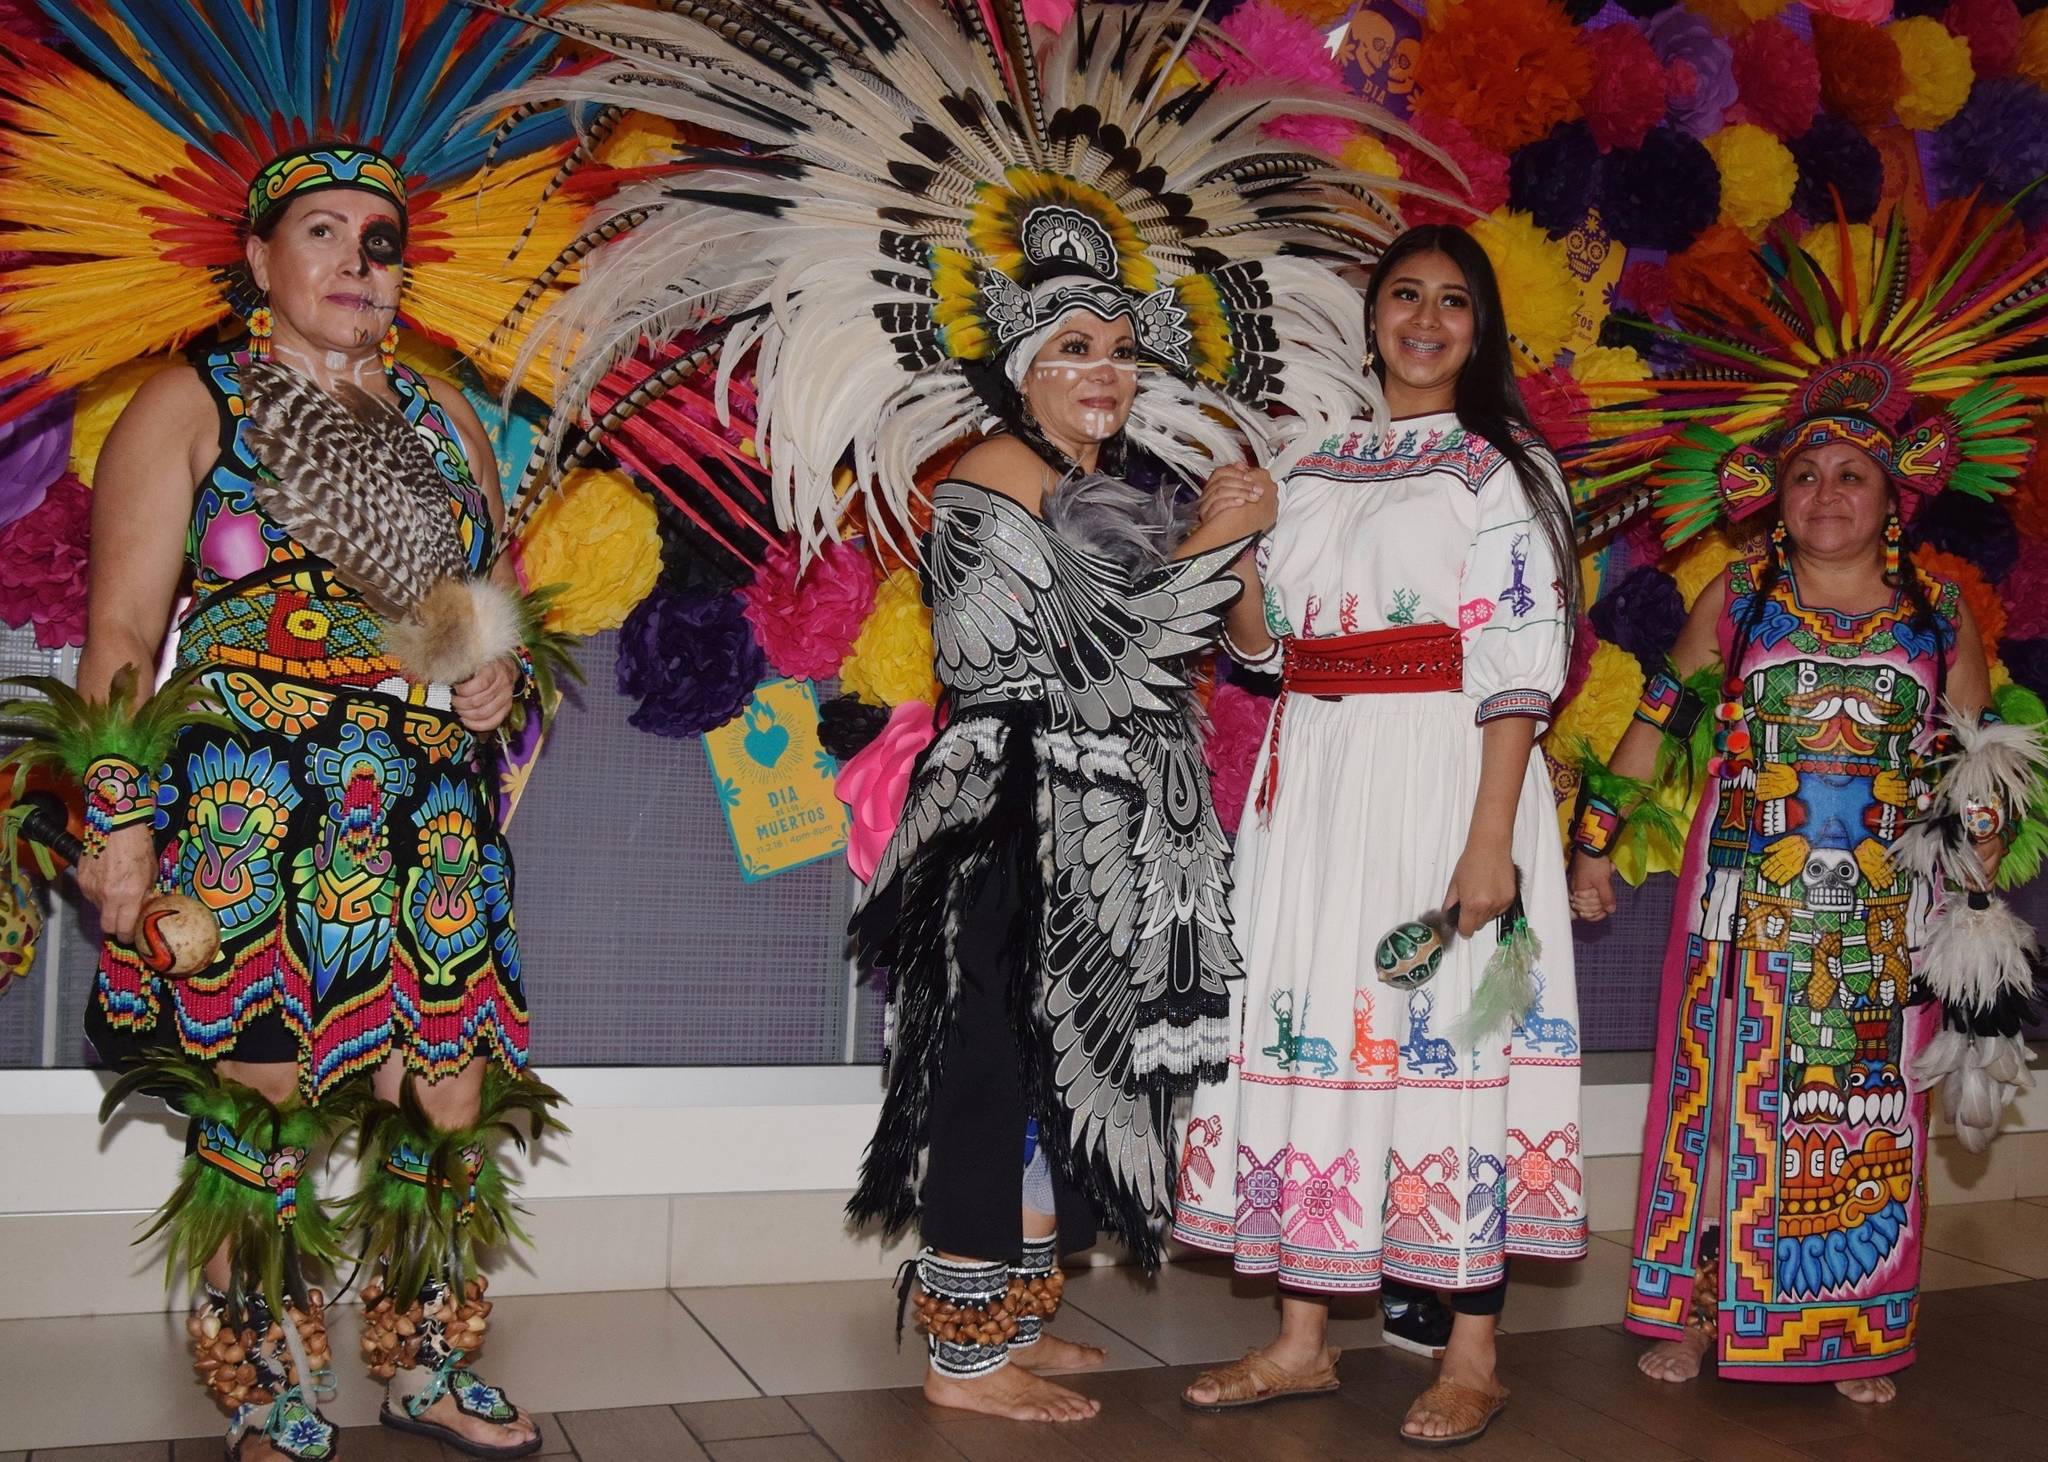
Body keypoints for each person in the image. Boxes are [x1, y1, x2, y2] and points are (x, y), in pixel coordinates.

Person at [476, 0, 1406, 1425]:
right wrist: (1215, 551)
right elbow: (1031, 666)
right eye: (1077, 345)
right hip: (1016, 808)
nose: (1108, 370)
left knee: (1056, 1064)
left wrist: (1244, 563)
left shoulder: (1129, 488)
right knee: (984, 1067)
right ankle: (965, 1354)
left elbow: (1247, 665)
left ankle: (1016, 1308)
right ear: (1019, 359)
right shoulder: (983, 474)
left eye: (1121, 348)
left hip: (1108, 818)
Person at [0, 6, 579, 1458]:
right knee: (258, 1089)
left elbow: (466, 609)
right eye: (322, 231)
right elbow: (124, 636)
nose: (356, 262)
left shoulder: (446, 416)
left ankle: (429, 1355)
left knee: (446, 1091)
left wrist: (491, 680)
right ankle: (265, 1375)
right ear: (258, 256)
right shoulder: (187, 403)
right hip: (255, 798)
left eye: (379, 239)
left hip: (431, 809)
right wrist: (120, 817)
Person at [1565, 204, 2048, 1403]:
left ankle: (1849, 1332)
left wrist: (1979, 894)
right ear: (1773, 498)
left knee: (1867, 1122)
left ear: (1892, 497)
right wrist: (1594, 840)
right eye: (1803, 474)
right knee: (1722, 1105)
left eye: (1850, 473)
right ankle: (1692, 1315)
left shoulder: (1942, 618)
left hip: (1887, 914)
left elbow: (1975, 763)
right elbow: (1657, 719)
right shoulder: (1732, 600)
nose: (1826, 492)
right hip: (1743, 905)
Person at [1172, 224, 1588, 1449]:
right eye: (1403, 295)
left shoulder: (1502, 467)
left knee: (1451, 1042)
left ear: (1481, 327)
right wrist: (1239, 538)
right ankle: (1301, 1343)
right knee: (1315, 1037)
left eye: (1451, 302)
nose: (1423, 319)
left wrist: (1489, 842)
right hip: (1315, 791)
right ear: (1370, 318)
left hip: (1446, 775)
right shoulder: (1311, 458)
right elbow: (1260, 649)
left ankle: (1472, 1354)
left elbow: (1520, 668)